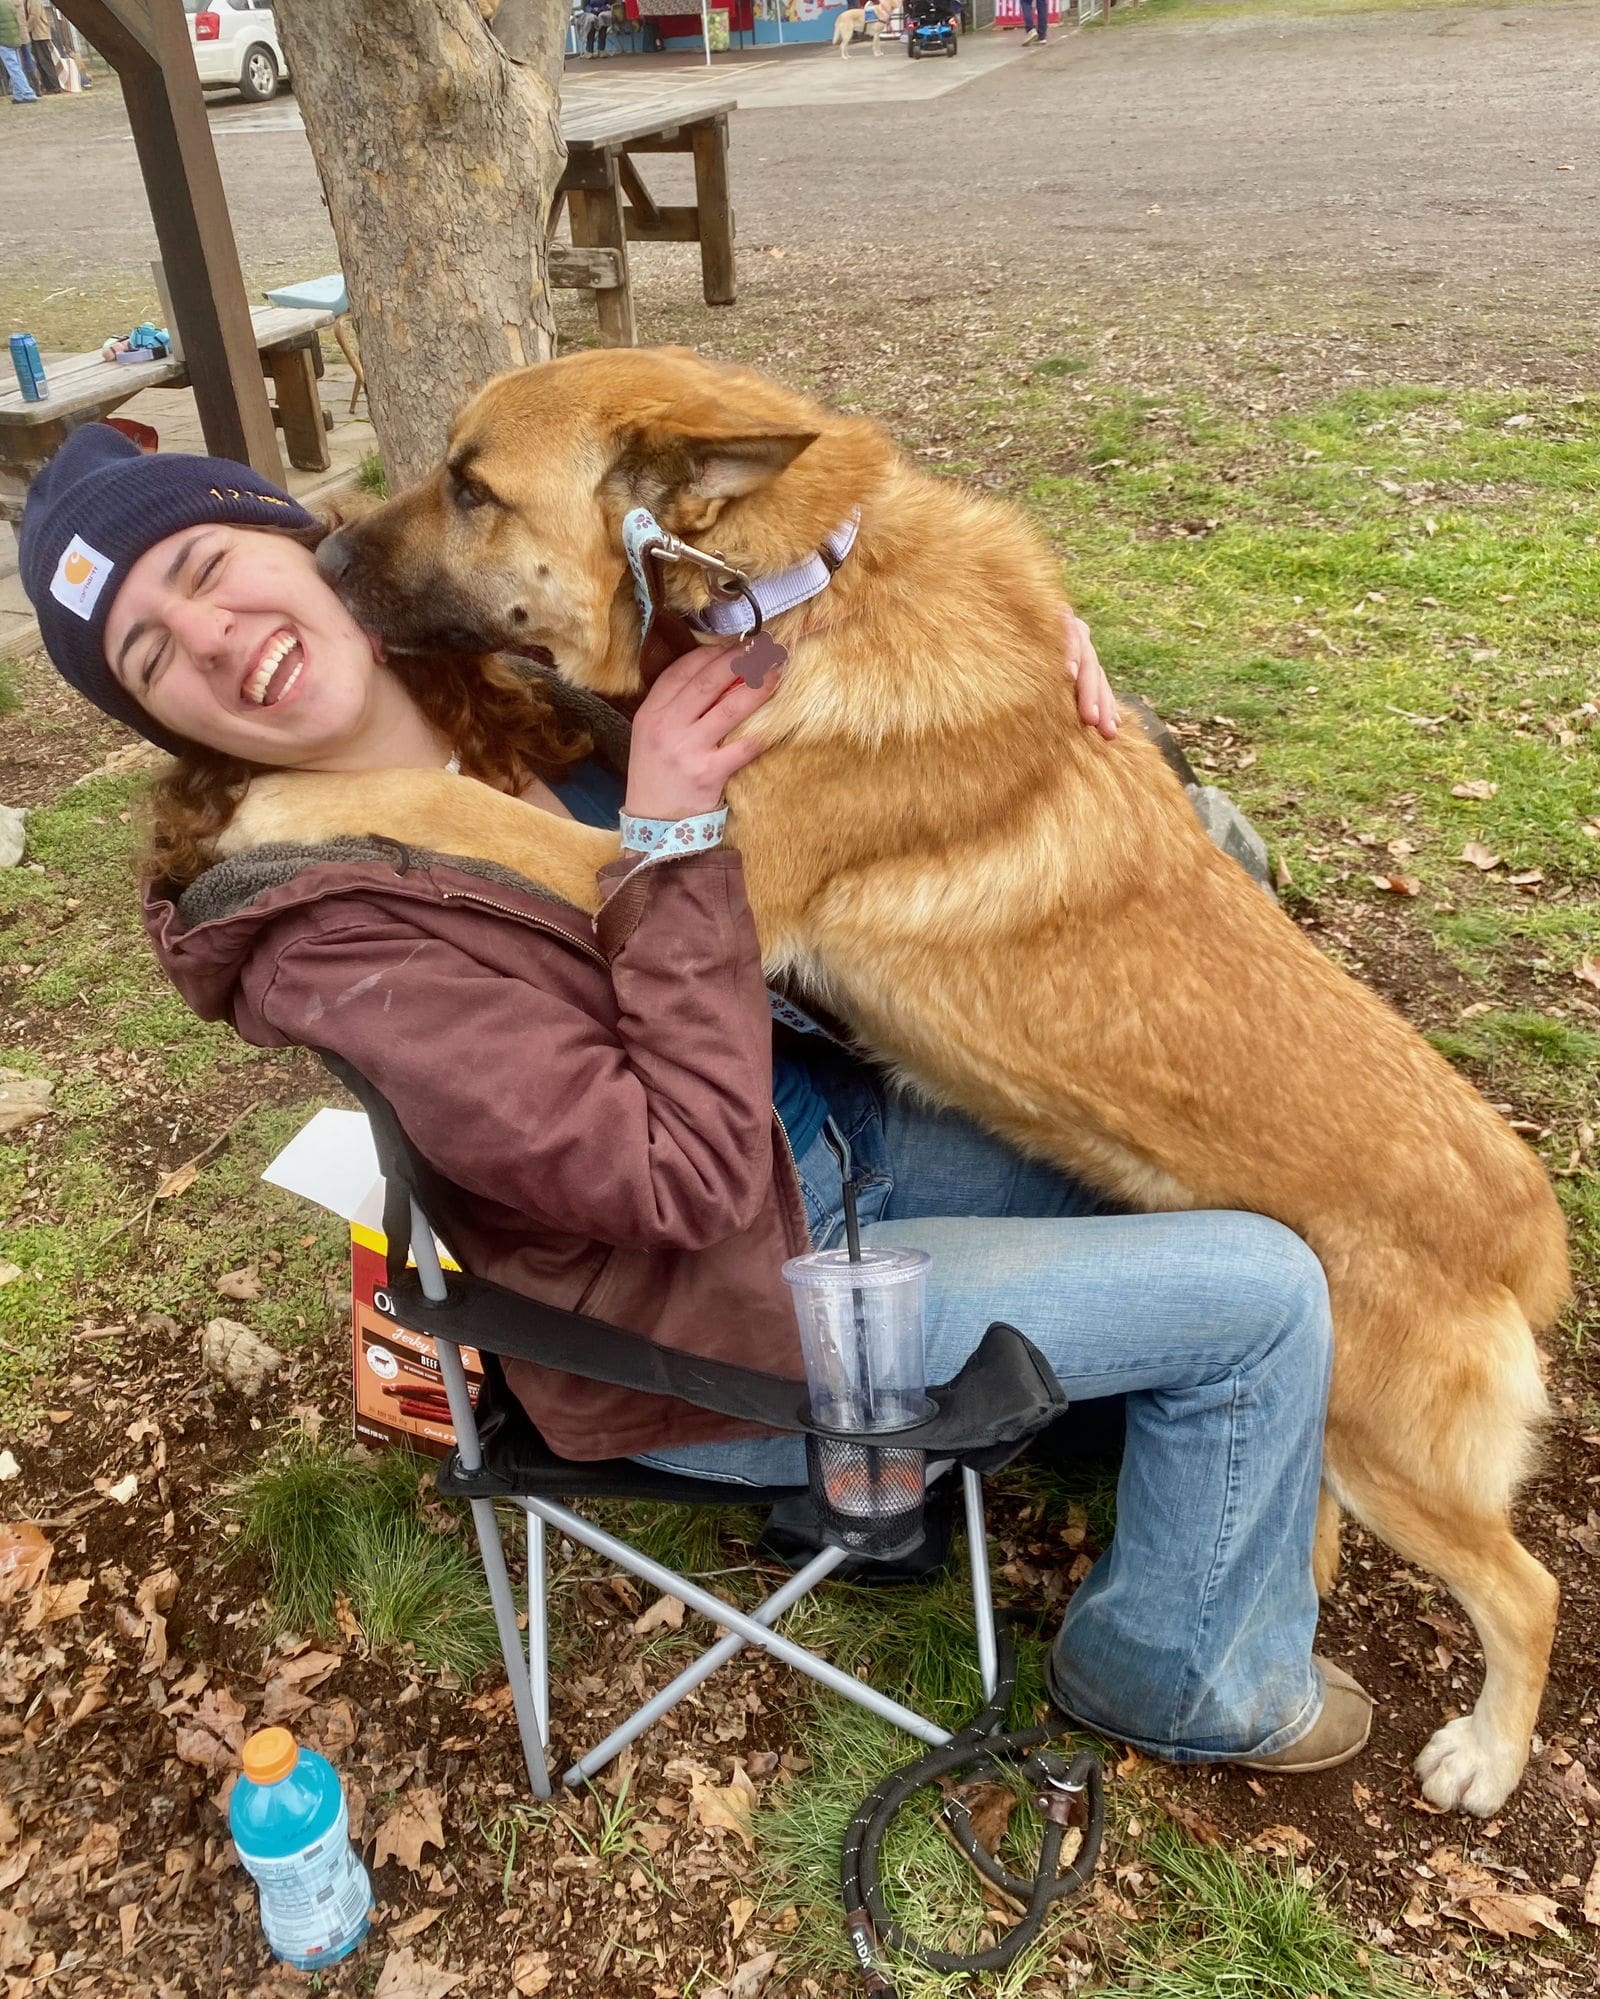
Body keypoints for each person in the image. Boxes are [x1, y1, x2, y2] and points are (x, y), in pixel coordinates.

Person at [19, 425, 1371, 1776]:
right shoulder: (325, 932)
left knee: (1234, 1166)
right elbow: (676, 1177)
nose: (210, 638)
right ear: (164, 723)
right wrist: (664, 832)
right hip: (722, 1322)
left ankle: (1141, 1432)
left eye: (207, 568)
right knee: (1262, 1292)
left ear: (312, 548)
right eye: (149, 656)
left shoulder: (518, 674)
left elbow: (816, 613)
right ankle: (1176, 1678)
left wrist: (1038, 653)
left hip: (835, 1137)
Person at [0, 0, 39, 104]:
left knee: (14, 68)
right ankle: (18, 95)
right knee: (16, 67)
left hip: (3, 40)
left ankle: (28, 93)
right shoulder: (9, 4)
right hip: (15, 39)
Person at [21, 0, 61, 92]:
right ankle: (47, 86)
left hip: (40, 35)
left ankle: (54, 85)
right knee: (39, 62)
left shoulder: (34, 1)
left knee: (45, 60)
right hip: (34, 35)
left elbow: (34, 16)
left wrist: (25, 30)